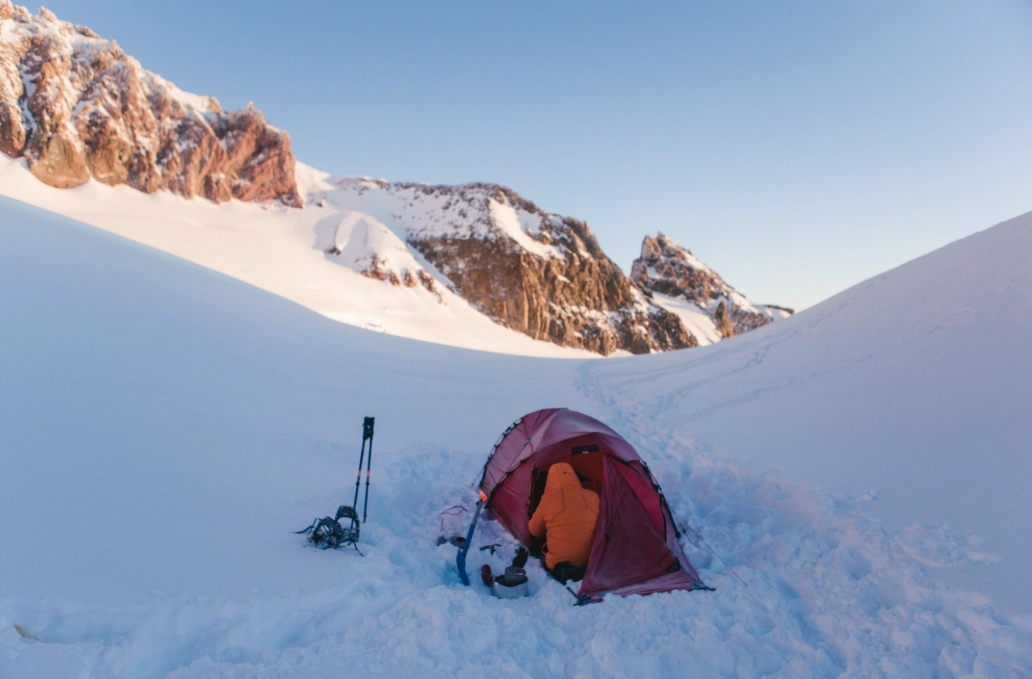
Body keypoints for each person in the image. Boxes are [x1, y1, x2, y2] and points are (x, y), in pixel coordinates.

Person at [528, 462, 600, 579]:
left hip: (560, 565)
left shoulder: (549, 499)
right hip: (591, 560)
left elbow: (534, 530)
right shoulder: (593, 496)